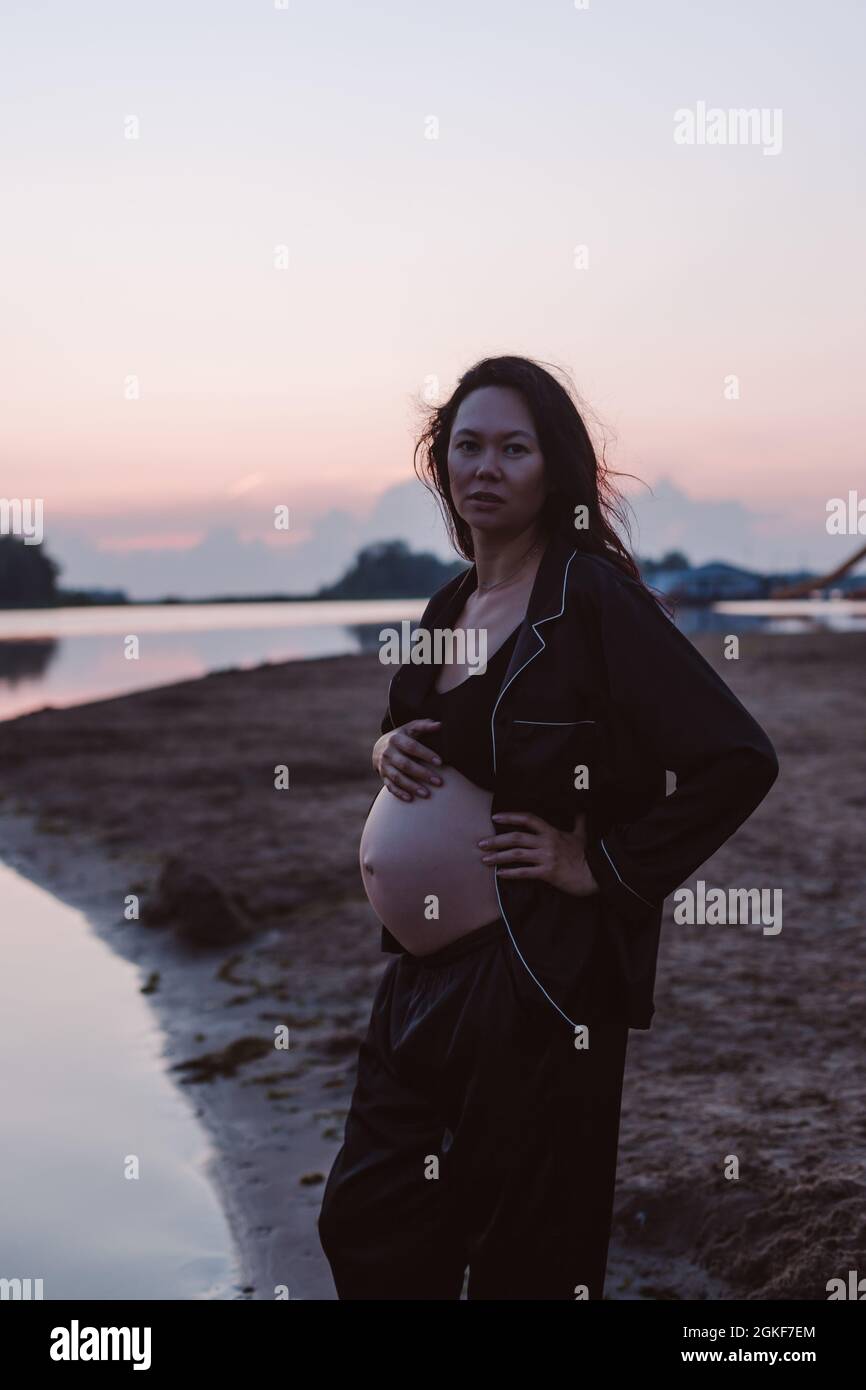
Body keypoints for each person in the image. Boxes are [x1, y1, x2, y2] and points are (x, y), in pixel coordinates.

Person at [318, 354, 779, 1299]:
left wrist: (598, 865)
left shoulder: (589, 598)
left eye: (513, 449)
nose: (485, 467)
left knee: (526, 1252)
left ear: (552, 468)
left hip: (529, 974)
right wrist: (385, 751)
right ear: (442, 464)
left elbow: (736, 758)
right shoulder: (450, 604)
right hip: (415, 983)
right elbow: (427, 727)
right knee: (369, 1219)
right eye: (467, 446)